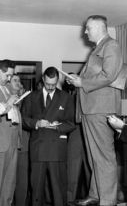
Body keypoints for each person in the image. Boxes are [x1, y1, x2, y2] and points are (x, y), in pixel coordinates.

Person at [66, 15, 123, 206]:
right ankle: (96, 194)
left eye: (88, 28)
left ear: (99, 27)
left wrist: (82, 82)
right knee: (93, 155)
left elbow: (109, 75)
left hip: (101, 108)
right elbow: (96, 75)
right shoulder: (99, 48)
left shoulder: (111, 46)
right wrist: (77, 79)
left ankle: (107, 201)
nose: (85, 31)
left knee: (104, 156)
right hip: (91, 108)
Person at [21, 66, 75, 206]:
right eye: (47, 83)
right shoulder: (31, 97)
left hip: (57, 148)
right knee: (36, 190)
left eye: (54, 84)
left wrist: (58, 126)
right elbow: (24, 119)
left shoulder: (66, 97)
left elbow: (72, 122)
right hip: (38, 148)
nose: (51, 87)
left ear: (57, 81)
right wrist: (36, 123)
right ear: (43, 80)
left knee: (59, 190)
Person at [64, 75, 90, 203]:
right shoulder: (66, 97)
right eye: (67, 80)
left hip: (88, 133)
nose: (69, 82)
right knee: (72, 171)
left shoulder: (87, 91)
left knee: (90, 169)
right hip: (74, 135)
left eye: (71, 79)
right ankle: (69, 200)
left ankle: (92, 198)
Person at [0, 59, 21, 206]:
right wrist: (7, 104)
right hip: (1, 142)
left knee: (9, 183)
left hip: (12, 142)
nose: (9, 79)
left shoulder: (6, 88)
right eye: (7, 75)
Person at [8, 78, 30, 206]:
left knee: (22, 181)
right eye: (15, 80)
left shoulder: (26, 100)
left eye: (20, 82)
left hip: (23, 145)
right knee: (7, 181)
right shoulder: (3, 98)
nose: (19, 84)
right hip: (6, 145)